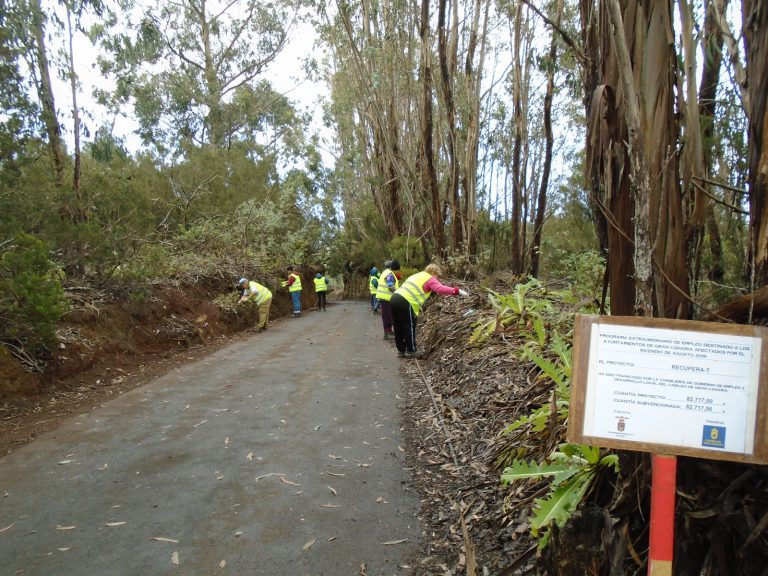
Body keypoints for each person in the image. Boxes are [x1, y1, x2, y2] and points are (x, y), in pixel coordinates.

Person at [390, 263, 468, 358]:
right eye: (437, 276)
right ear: (433, 272)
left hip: (394, 297)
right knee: (409, 326)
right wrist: (457, 291)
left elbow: (421, 289)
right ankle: (411, 351)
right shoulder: (429, 278)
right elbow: (440, 289)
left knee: (398, 326)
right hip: (405, 301)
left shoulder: (418, 275)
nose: (437, 279)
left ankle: (401, 351)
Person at [376, 260, 400, 340]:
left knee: (386, 315)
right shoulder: (389, 274)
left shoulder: (385, 272)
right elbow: (390, 286)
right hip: (387, 298)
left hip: (384, 298)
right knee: (388, 316)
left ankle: (389, 331)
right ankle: (387, 333)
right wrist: (398, 292)